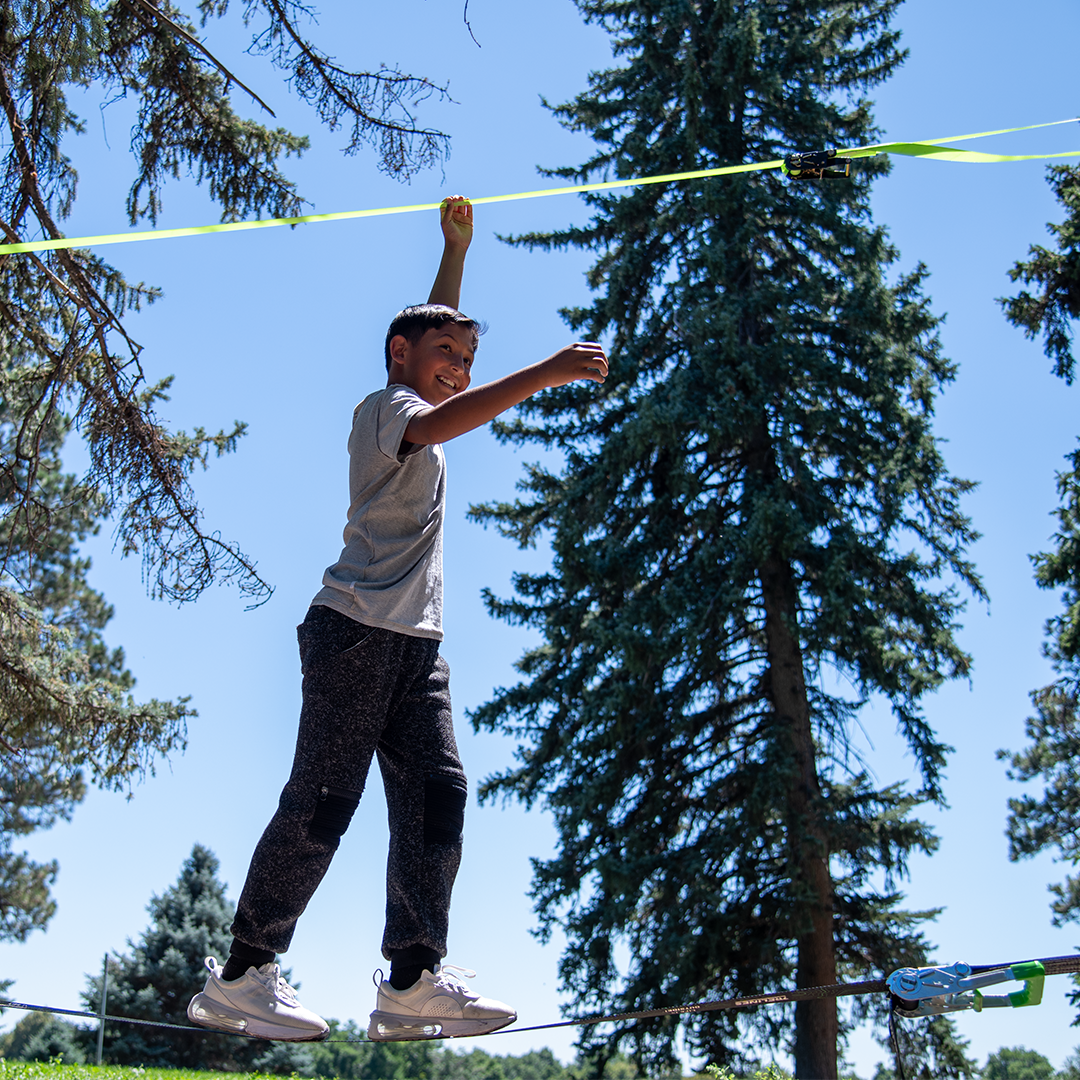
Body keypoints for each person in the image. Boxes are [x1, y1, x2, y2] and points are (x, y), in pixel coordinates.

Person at [186, 197, 608, 1043]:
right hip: (354, 632)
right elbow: (437, 403)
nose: (459, 366)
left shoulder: (421, 390)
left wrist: (454, 251)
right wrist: (544, 372)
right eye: (447, 354)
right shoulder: (386, 411)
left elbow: (433, 336)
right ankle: (243, 974)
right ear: (398, 355)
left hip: (417, 647)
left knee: (436, 797)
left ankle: (413, 980)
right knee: (324, 802)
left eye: (470, 358)